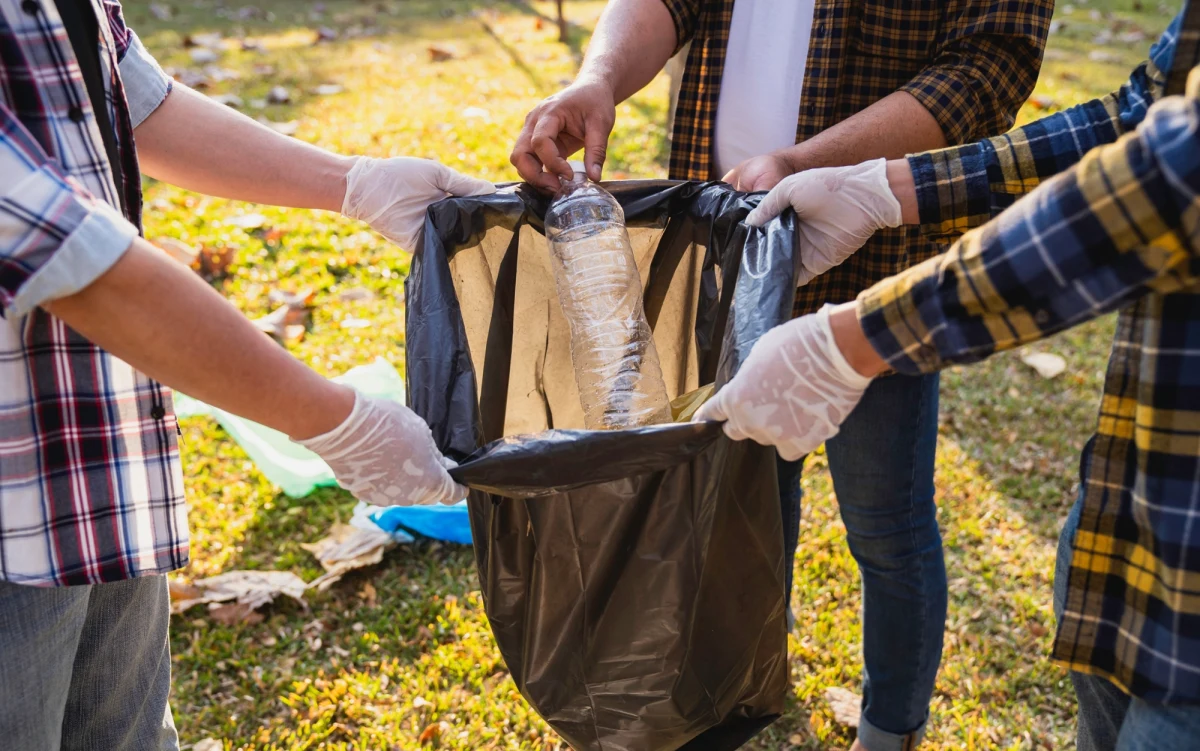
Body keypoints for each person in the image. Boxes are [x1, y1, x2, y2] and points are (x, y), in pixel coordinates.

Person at [511, 1, 1052, 747]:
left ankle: (890, 728)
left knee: (886, 523)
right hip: (724, 246)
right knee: (742, 508)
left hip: (875, 261)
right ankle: (747, 687)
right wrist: (599, 77)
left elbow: (990, 61)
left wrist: (808, 164)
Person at [699, 6, 1200, 749]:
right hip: (1132, 521)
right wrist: (887, 189)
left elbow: (1165, 180)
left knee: (890, 524)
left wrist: (860, 337)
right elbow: (1138, 118)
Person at [0, 0, 493, 747]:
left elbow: (130, 97)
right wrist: (336, 420)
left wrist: (354, 182)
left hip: (87, 446)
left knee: (127, 732)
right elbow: (71, 260)